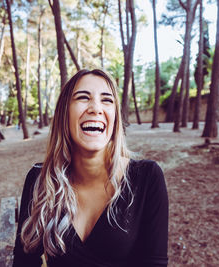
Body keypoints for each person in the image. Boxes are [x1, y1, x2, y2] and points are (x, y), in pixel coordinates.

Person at [13, 69, 169, 267]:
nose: (96, 108)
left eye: (107, 100)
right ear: (64, 113)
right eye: (83, 97)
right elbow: (24, 261)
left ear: (115, 117)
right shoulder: (40, 179)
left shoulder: (147, 177)